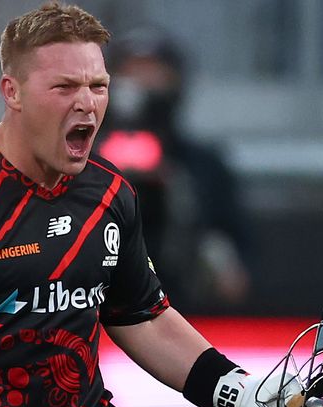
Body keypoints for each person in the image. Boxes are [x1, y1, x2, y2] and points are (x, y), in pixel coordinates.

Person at [0, 2, 323, 407]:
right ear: (12, 92)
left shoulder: (110, 193)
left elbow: (145, 318)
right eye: (65, 86)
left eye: (98, 86)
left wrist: (237, 391)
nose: (87, 103)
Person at [96, 25, 251, 313]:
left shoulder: (203, 166)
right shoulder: (79, 159)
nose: (142, 85)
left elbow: (238, 273)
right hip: (92, 311)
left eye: (154, 74)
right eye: (131, 73)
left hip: (183, 310)